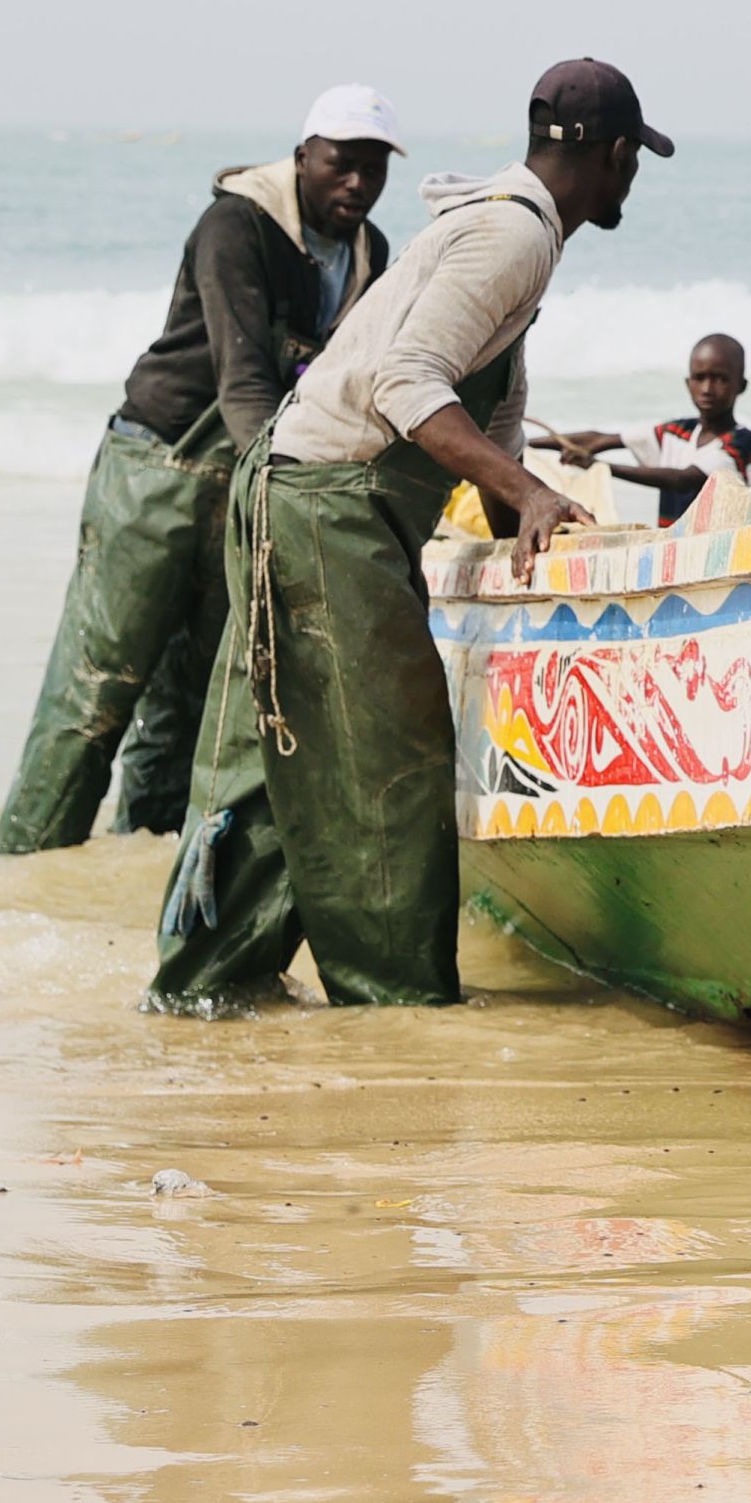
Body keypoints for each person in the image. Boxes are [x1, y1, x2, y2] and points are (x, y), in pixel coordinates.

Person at [147, 59, 669, 1013]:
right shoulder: (511, 234)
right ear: (617, 154)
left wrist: (533, 525)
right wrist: (533, 492)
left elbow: (493, 416)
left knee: (281, 753)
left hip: (297, 492)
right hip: (325, 504)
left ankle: (205, 994)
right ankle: (397, 1009)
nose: (633, 178)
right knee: (385, 763)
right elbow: (409, 385)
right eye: (634, 161)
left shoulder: (508, 227)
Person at [0, 86, 401, 854]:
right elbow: (244, 380)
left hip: (243, 483)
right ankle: (24, 883)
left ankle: (132, 875)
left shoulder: (369, 253)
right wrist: (286, 493)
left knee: (188, 711)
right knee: (98, 690)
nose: (356, 184)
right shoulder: (236, 225)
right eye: (342, 165)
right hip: (159, 470)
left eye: (372, 170)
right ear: (304, 156)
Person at [542, 333, 751, 523]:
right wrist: (526, 442)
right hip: (675, 553)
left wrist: (599, 466)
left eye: (720, 379)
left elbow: (682, 480)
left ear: (741, 386)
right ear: (688, 383)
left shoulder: (741, 442)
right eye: (699, 377)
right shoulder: (677, 432)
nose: (707, 388)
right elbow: (596, 439)